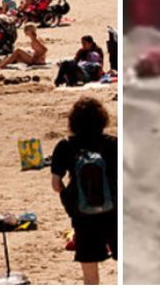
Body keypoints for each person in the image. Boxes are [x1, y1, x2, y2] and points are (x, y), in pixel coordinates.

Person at [51, 97, 118, 285]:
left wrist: (68, 198)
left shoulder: (65, 145)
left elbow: (56, 184)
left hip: (83, 215)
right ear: (102, 119)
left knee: (90, 277)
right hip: (115, 213)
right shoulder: (114, 143)